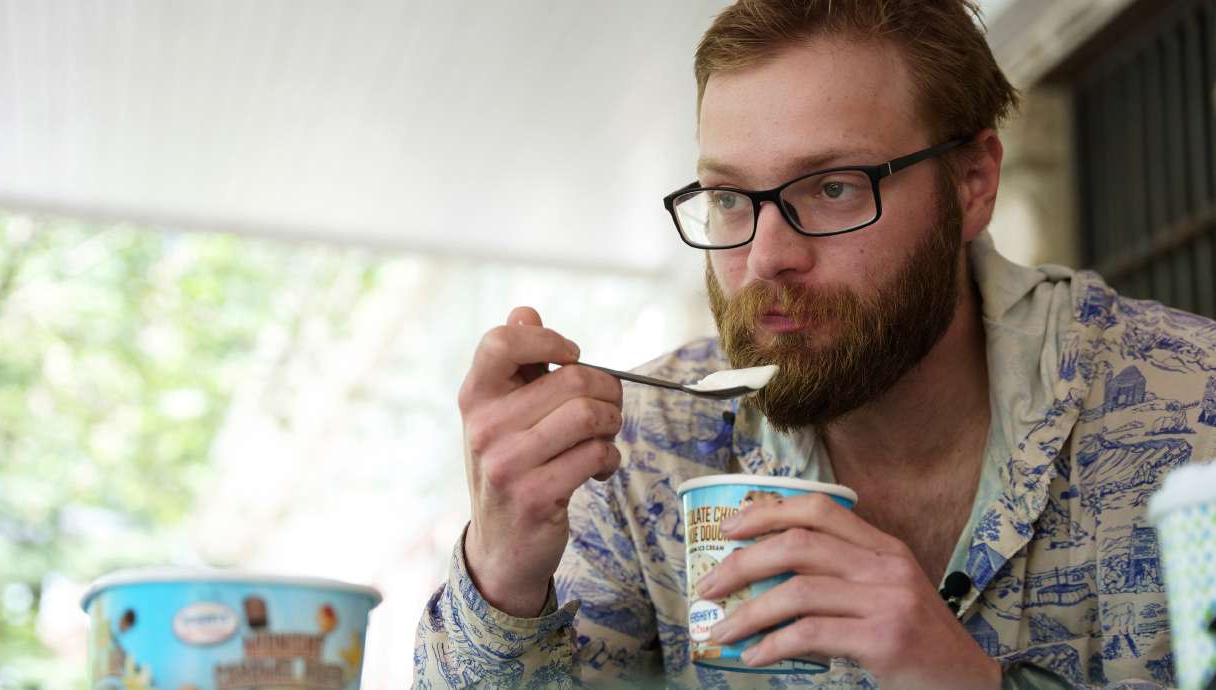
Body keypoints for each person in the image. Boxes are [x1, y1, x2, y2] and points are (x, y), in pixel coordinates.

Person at [414, 1, 1216, 687]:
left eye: (833, 187)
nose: (766, 258)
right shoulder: (645, 449)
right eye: (730, 197)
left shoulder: (1190, 411)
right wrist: (503, 575)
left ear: (973, 183)